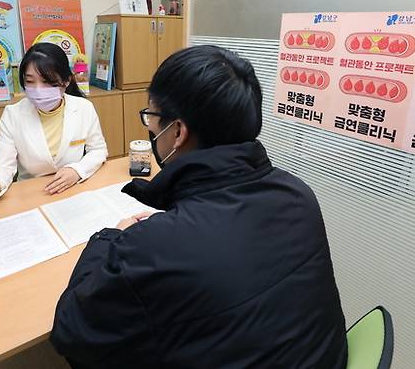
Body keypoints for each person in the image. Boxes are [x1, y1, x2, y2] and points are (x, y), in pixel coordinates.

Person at [50, 45, 348, 368]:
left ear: (177, 132)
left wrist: (110, 238)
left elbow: (71, 329)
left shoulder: (154, 247)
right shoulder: (298, 194)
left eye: (151, 116)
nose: (150, 127)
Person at [0, 43, 108, 199]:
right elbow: (2, 166)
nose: (38, 90)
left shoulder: (83, 108)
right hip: (32, 194)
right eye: (30, 82)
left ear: (66, 81)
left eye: (47, 81)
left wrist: (77, 170)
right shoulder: (13, 115)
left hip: (74, 189)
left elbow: (98, 150)